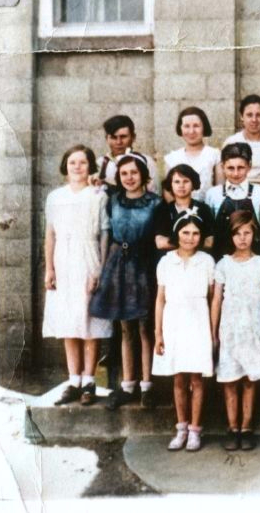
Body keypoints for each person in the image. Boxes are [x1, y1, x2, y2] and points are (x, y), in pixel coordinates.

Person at [89, 152, 160, 410]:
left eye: (134, 173)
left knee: (144, 326)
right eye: (124, 174)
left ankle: (148, 386)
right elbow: (106, 234)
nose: (129, 178)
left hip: (144, 264)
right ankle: (127, 384)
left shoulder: (155, 203)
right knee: (125, 328)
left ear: (143, 175)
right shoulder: (113, 201)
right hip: (119, 263)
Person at [44, 145, 113, 406]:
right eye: (72, 162)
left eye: (82, 162)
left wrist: (100, 269)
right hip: (63, 260)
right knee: (67, 321)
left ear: (90, 166)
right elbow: (50, 234)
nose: (77, 167)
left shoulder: (98, 195)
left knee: (89, 321)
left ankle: (89, 381)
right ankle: (73, 380)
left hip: (88, 258)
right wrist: (49, 268)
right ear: (65, 166)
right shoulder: (55, 197)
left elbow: (105, 233)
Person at [210, 210, 260, 451]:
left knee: (249, 380)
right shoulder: (223, 264)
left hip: (253, 329)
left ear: (254, 234)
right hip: (230, 331)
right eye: (237, 233)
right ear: (231, 236)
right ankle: (232, 427)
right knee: (230, 380)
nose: (243, 238)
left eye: (247, 232)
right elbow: (216, 300)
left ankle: (246, 427)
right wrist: (214, 332)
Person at [152, 210, 215, 452]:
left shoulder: (207, 261)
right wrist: (158, 333)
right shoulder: (166, 261)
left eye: (195, 233)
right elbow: (160, 299)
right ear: (177, 234)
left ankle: (195, 431)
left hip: (198, 321)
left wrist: (212, 331)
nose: (190, 237)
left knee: (196, 379)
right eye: (185, 232)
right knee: (179, 378)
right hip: (174, 321)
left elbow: (211, 299)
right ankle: (181, 427)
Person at [206, 143, 260, 259]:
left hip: (253, 257)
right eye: (230, 168)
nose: (235, 173)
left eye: (240, 168)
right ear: (222, 166)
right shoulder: (213, 194)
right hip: (220, 258)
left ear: (249, 166)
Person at [222, 94, 260, 189]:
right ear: (242, 117)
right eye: (249, 115)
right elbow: (225, 175)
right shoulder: (231, 142)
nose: (254, 120)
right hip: (237, 194)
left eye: (259, 115)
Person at [154, 164, 214, 261]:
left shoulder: (203, 209)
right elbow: (160, 242)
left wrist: (176, 242)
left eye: (186, 181)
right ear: (171, 184)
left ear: (193, 184)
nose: (181, 185)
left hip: (197, 260)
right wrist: (191, 242)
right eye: (177, 182)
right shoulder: (163, 210)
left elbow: (209, 241)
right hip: (171, 261)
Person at [164, 106, 222, 201]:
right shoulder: (172, 158)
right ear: (180, 129)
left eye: (196, 126)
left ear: (204, 127)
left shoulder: (214, 155)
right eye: (186, 126)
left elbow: (220, 189)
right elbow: (168, 192)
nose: (191, 131)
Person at [94, 115, 159, 193]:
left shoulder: (146, 161)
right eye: (114, 137)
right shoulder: (101, 163)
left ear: (133, 137)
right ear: (107, 139)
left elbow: (156, 192)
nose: (118, 142)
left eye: (123, 137)